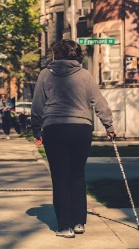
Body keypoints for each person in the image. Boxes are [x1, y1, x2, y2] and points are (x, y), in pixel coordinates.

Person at [31, 39, 116, 238]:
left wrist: (36, 129)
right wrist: (109, 126)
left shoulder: (45, 74)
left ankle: (64, 226)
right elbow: (99, 102)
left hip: (54, 128)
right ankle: (79, 222)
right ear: (77, 55)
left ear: (55, 54)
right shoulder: (85, 75)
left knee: (60, 177)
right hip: (81, 128)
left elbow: (37, 105)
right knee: (77, 175)